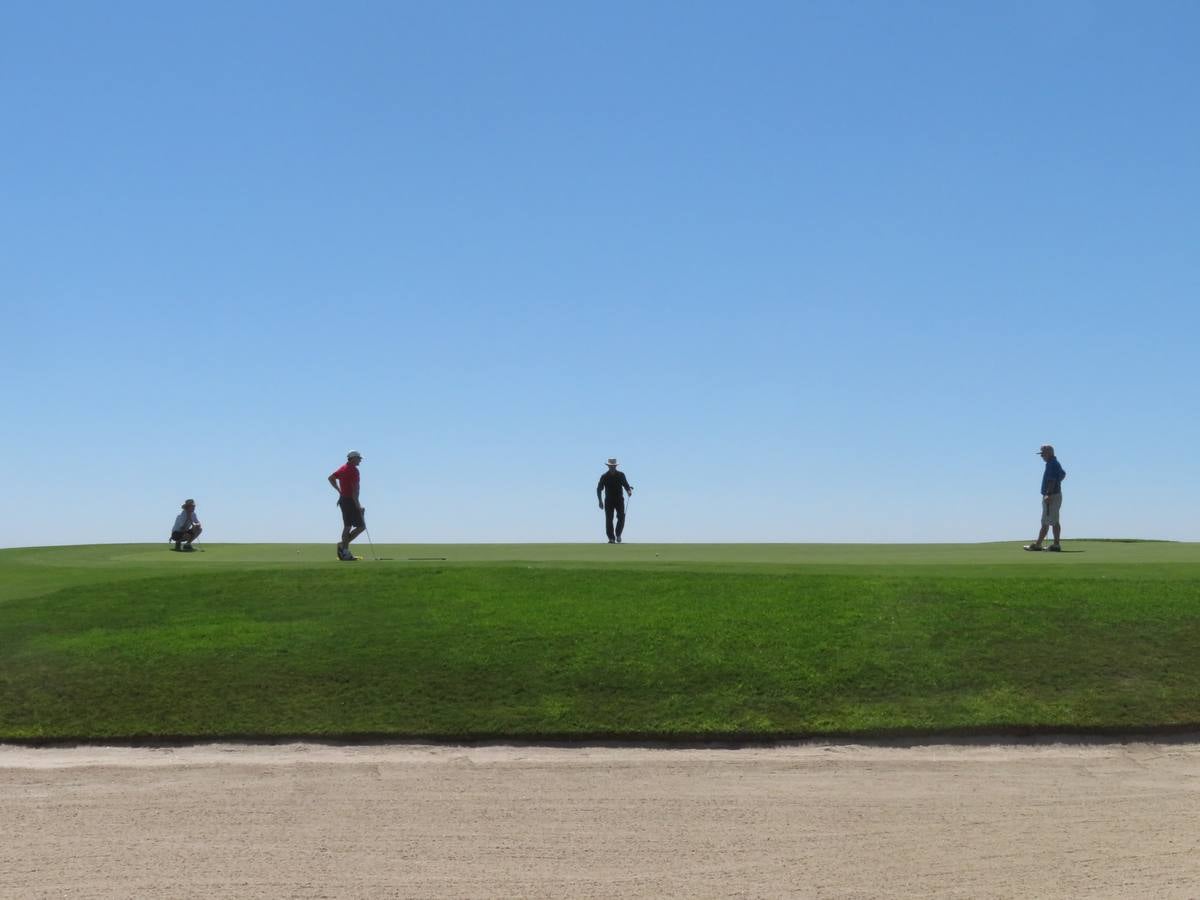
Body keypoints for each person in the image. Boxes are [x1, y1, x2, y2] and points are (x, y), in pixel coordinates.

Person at [1025, 444, 1066, 552]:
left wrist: (1048, 493)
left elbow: (1052, 480)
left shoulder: (1051, 464)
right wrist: (1057, 484)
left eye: (1043, 454)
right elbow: (1063, 474)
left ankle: (1051, 545)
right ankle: (1040, 544)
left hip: (1051, 495)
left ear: (1049, 453)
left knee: (1051, 521)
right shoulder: (1053, 463)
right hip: (1054, 494)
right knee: (1048, 521)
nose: (1041, 456)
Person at [328, 451, 365, 561]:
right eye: (359, 458)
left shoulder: (343, 468)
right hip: (350, 501)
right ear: (353, 458)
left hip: (344, 500)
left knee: (348, 526)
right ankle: (344, 549)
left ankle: (344, 550)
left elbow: (331, 478)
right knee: (360, 526)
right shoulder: (354, 470)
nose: (360, 460)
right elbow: (355, 491)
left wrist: (339, 491)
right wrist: (358, 505)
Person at [596, 458, 634, 544]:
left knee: (621, 517)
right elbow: (599, 489)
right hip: (608, 500)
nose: (612, 467)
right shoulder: (604, 476)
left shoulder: (621, 475)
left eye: (613, 466)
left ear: (616, 466)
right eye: (610, 466)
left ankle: (618, 534)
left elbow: (626, 485)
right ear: (608, 466)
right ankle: (611, 538)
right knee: (609, 519)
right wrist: (600, 501)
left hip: (619, 500)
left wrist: (628, 491)